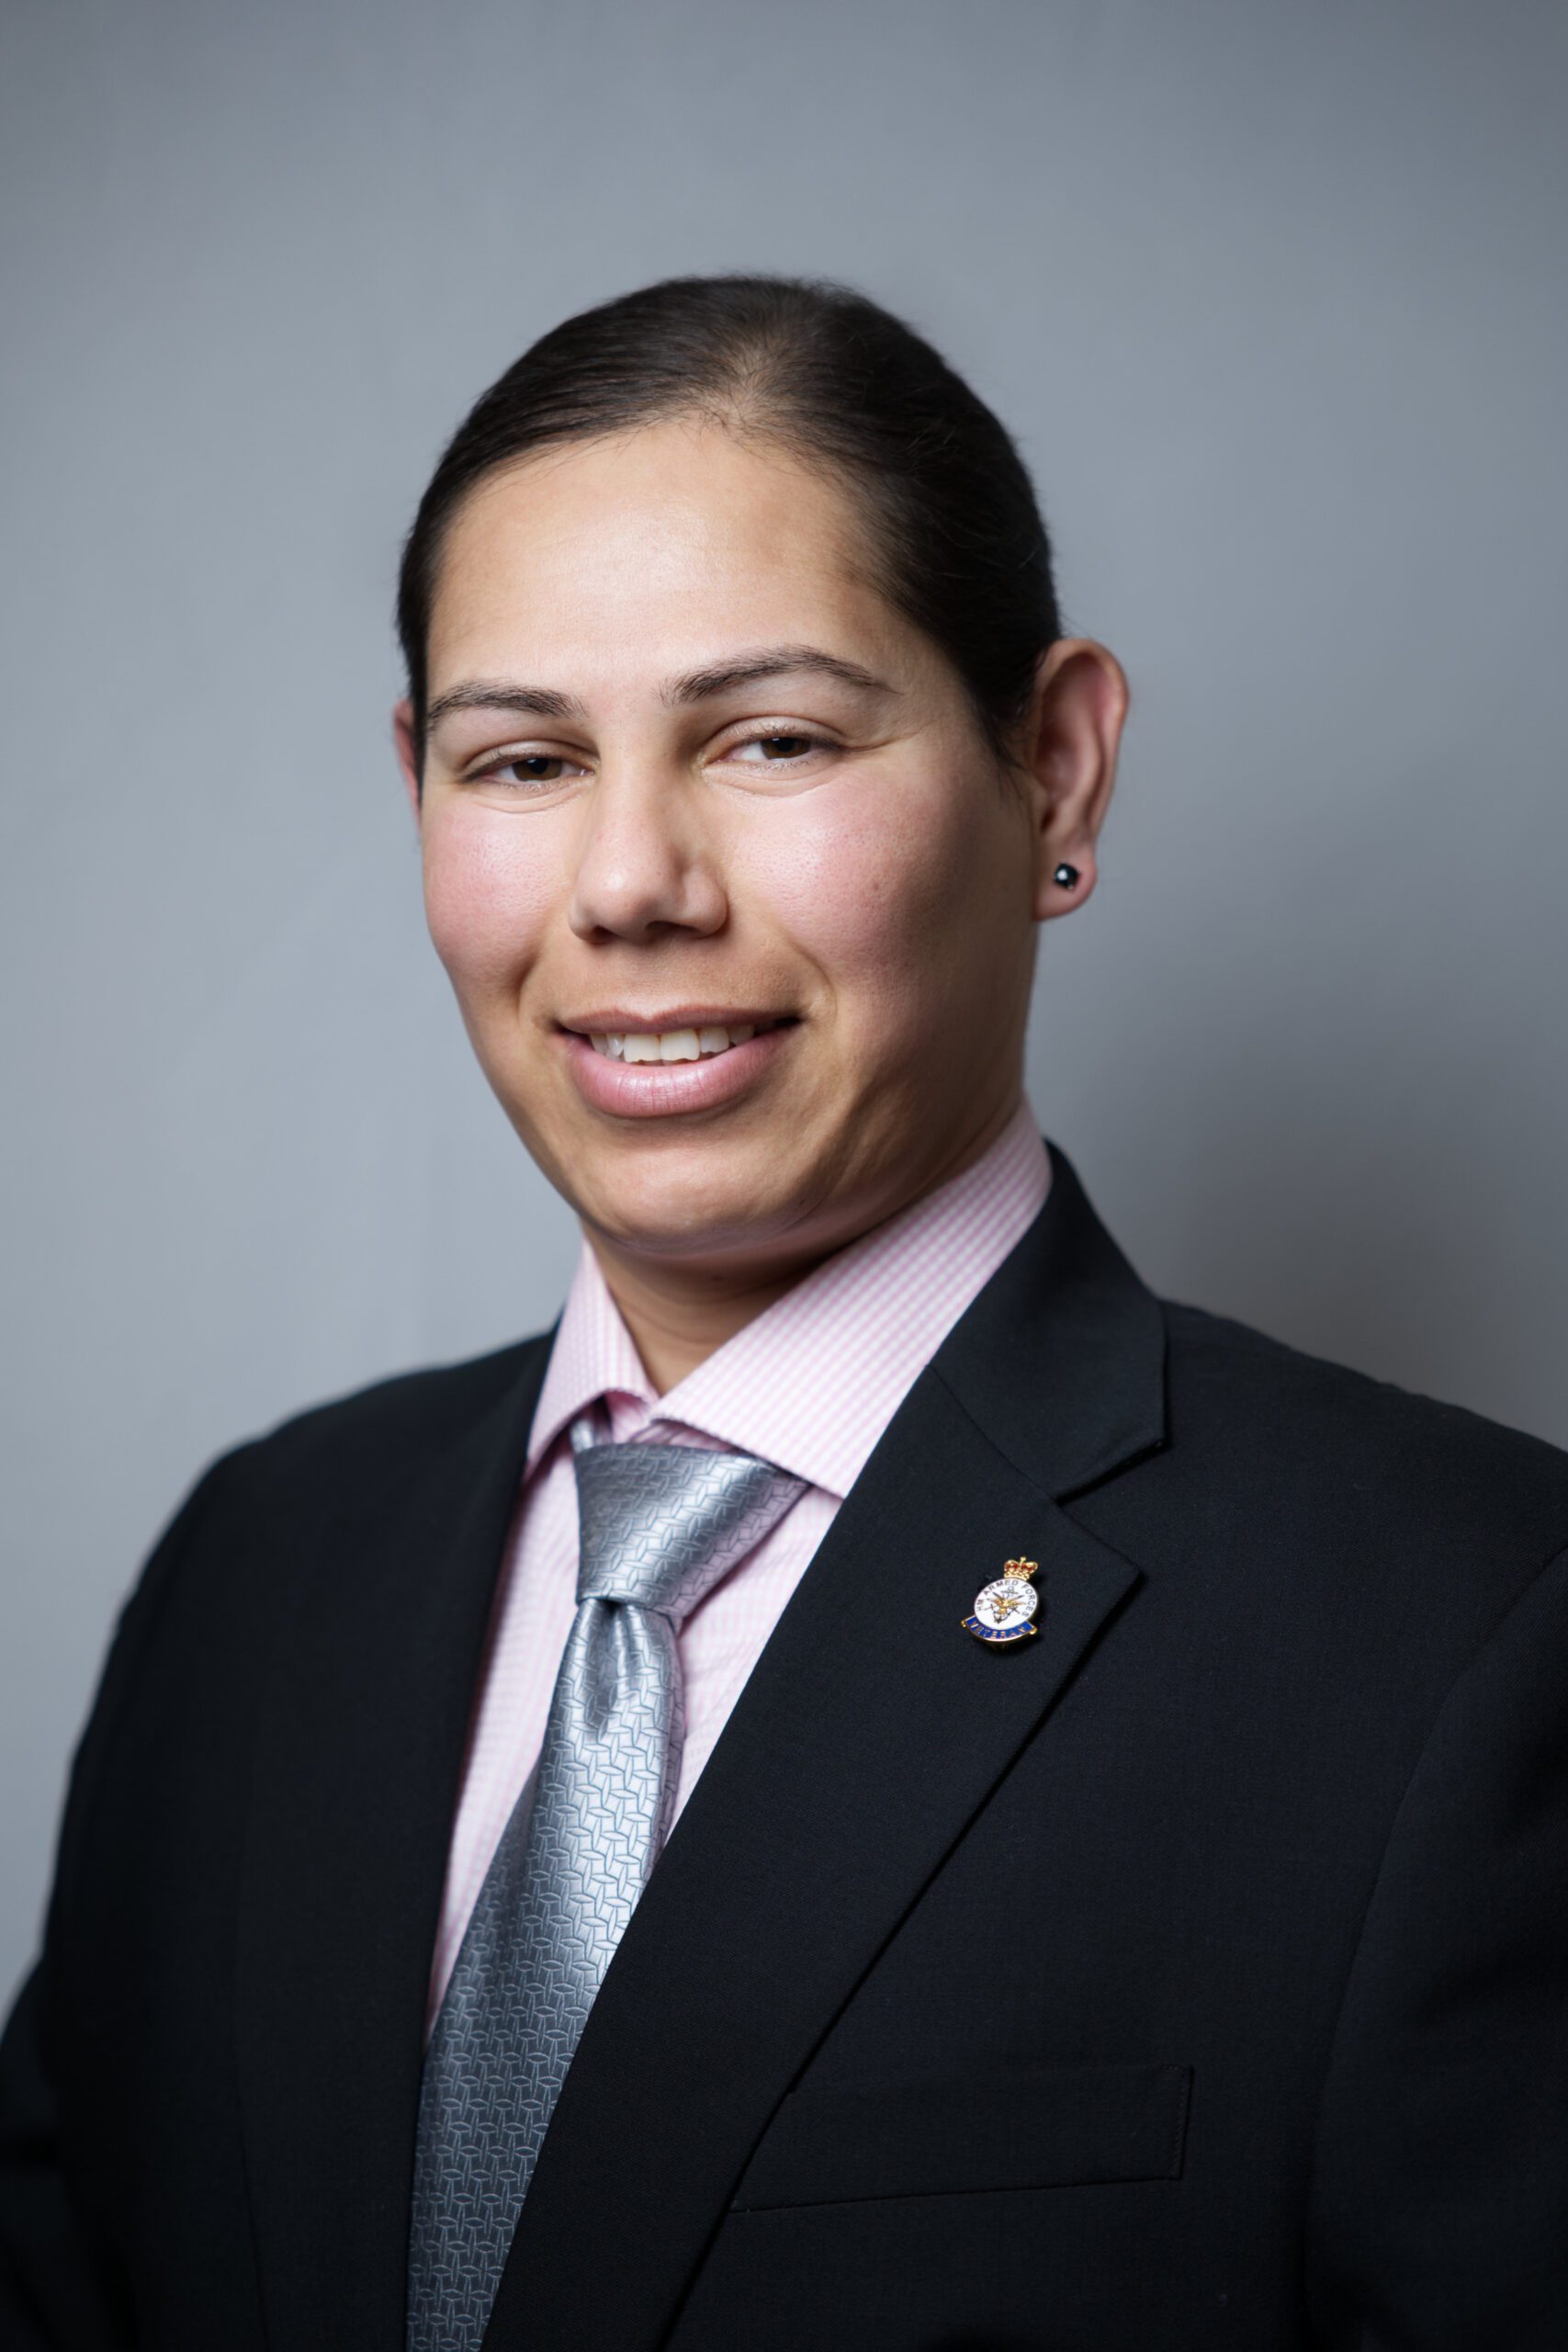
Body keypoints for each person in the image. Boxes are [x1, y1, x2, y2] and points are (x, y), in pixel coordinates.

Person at [2, 273, 1564, 2352]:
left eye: (771, 737)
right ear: (418, 795)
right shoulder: (255, 1571)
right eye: (525, 756)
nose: (629, 880)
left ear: (1058, 773)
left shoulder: (1462, 1632)